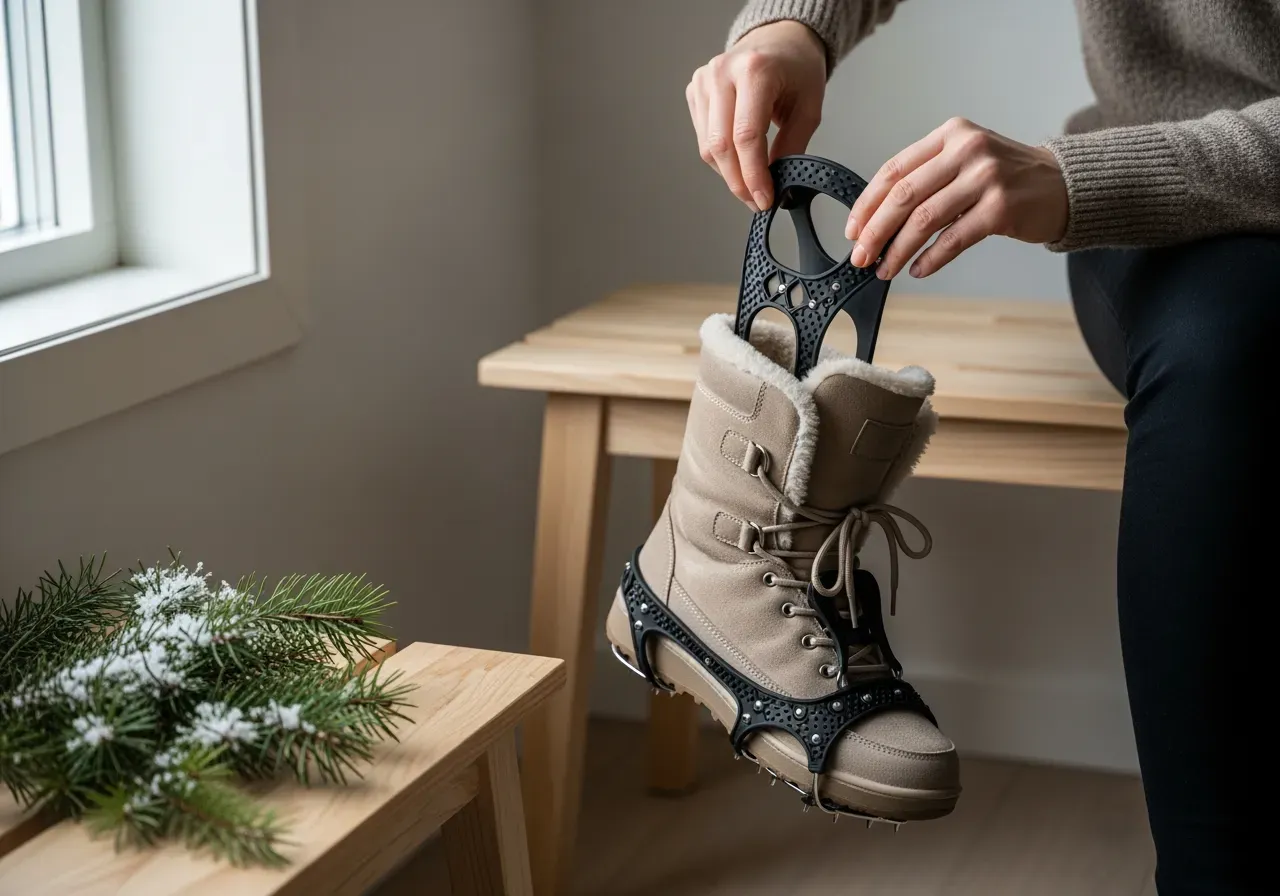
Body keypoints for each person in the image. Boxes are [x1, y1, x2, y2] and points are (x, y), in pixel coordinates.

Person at [689, 2, 1279, 894]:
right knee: (1224, 355)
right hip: (1185, 224)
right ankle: (705, 557)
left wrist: (1077, 177)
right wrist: (795, 28)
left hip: (1130, 173)